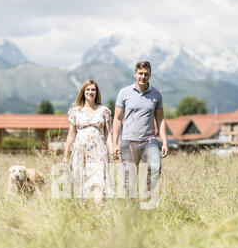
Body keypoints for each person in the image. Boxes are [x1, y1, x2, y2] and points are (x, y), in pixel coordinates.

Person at [112, 61, 168, 202]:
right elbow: (117, 120)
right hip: (128, 141)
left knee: (155, 167)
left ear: (150, 75)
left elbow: (160, 120)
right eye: (140, 73)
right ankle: (129, 207)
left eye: (146, 74)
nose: (143, 76)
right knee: (129, 177)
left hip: (149, 141)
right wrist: (114, 144)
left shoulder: (156, 94)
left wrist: (165, 142)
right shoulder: (124, 93)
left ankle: (147, 200)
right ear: (135, 74)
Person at [63, 79, 112, 203]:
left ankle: (99, 214)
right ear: (83, 92)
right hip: (80, 153)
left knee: (99, 184)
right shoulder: (75, 111)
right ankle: (85, 216)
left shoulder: (104, 110)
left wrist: (112, 150)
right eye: (88, 89)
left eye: (93, 89)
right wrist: (65, 155)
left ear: (97, 92)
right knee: (81, 186)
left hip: (99, 153)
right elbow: (71, 135)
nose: (91, 92)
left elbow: (108, 133)